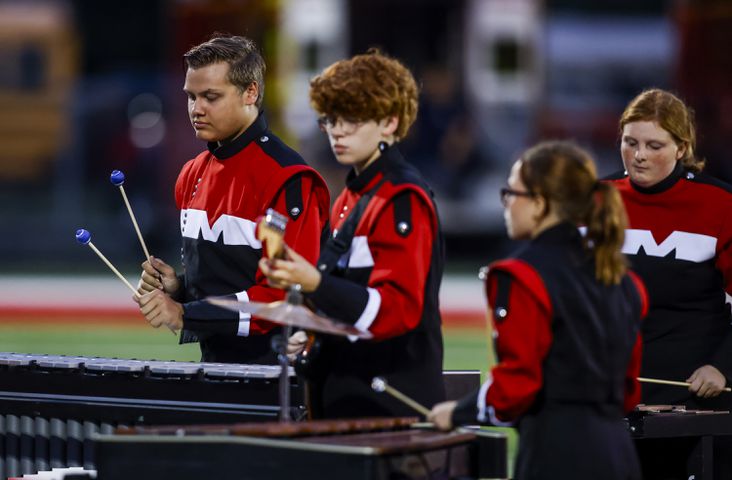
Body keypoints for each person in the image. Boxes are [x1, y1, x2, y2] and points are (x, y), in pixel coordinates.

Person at [429, 141, 647, 480]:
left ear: (539, 203)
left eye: (511, 193)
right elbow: (629, 389)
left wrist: (458, 412)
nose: (506, 205)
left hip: (555, 455)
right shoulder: (623, 279)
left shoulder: (522, 274)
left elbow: (517, 385)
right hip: (620, 454)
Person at [258, 49, 446, 419]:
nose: (337, 130)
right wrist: (309, 330)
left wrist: (315, 283)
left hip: (387, 406)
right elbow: (349, 300)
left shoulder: (400, 198)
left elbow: (396, 311)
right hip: (348, 399)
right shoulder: (351, 197)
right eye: (330, 118)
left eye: (352, 118)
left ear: (390, 123)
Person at [134, 34, 330, 364]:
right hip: (215, 367)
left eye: (211, 96)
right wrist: (179, 288)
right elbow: (226, 281)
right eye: (191, 97)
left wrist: (185, 313)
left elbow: (283, 299)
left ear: (250, 92)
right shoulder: (191, 175)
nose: (196, 109)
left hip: (281, 377)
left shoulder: (288, 178)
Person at [607, 88, 732, 479]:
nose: (639, 155)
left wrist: (724, 366)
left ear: (682, 147)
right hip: (612, 391)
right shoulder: (597, 200)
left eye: (653, 145)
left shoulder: (720, 204)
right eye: (630, 143)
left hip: (695, 393)